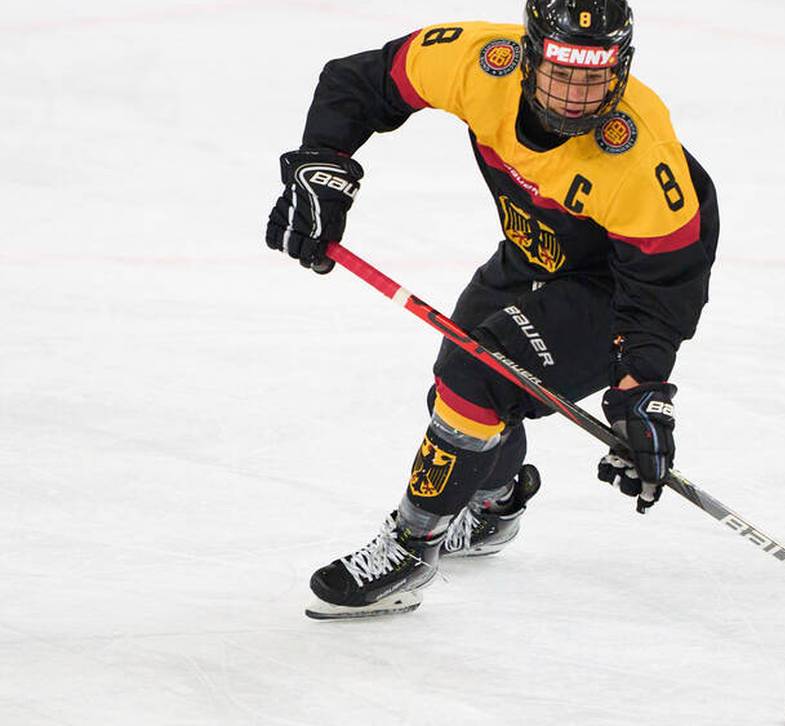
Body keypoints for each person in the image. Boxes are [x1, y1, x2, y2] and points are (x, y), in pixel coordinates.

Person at [266, 0, 719, 619]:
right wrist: (323, 167)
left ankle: (411, 545)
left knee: (476, 377)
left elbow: (664, 289)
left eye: (594, 77)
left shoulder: (641, 159)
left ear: (621, 68)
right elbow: (359, 79)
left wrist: (641, 387)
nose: (575, 98)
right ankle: (492, 506)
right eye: (561, 73)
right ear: (529, 57)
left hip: (618, 277)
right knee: (457, 395)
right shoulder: (480, 64)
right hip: (536, 241)